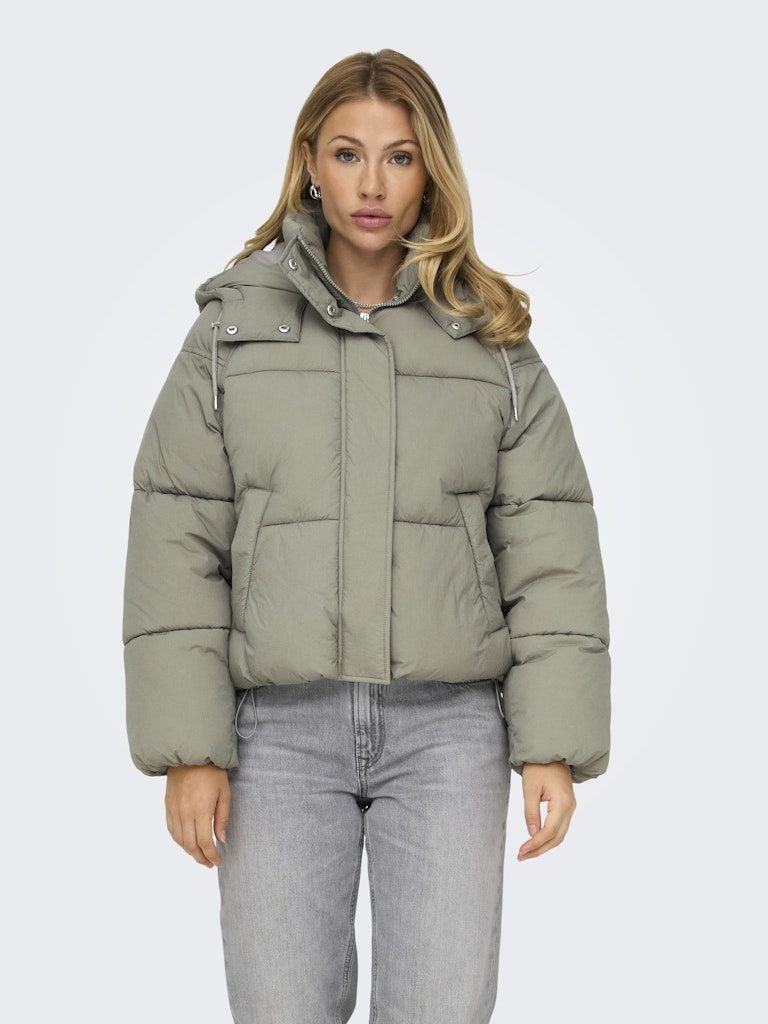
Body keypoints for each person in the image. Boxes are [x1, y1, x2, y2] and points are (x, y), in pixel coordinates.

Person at [122, 48, 611, 1024]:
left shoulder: (489, 339)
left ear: (431, 168)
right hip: (277, 736)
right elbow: (177, 531)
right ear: (311, 160)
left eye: (399, 156)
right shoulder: (232, 330)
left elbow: (549, 545)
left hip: (450, 731)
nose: (373, 185)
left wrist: (551, 745)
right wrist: (190, 747)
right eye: (348, 154)